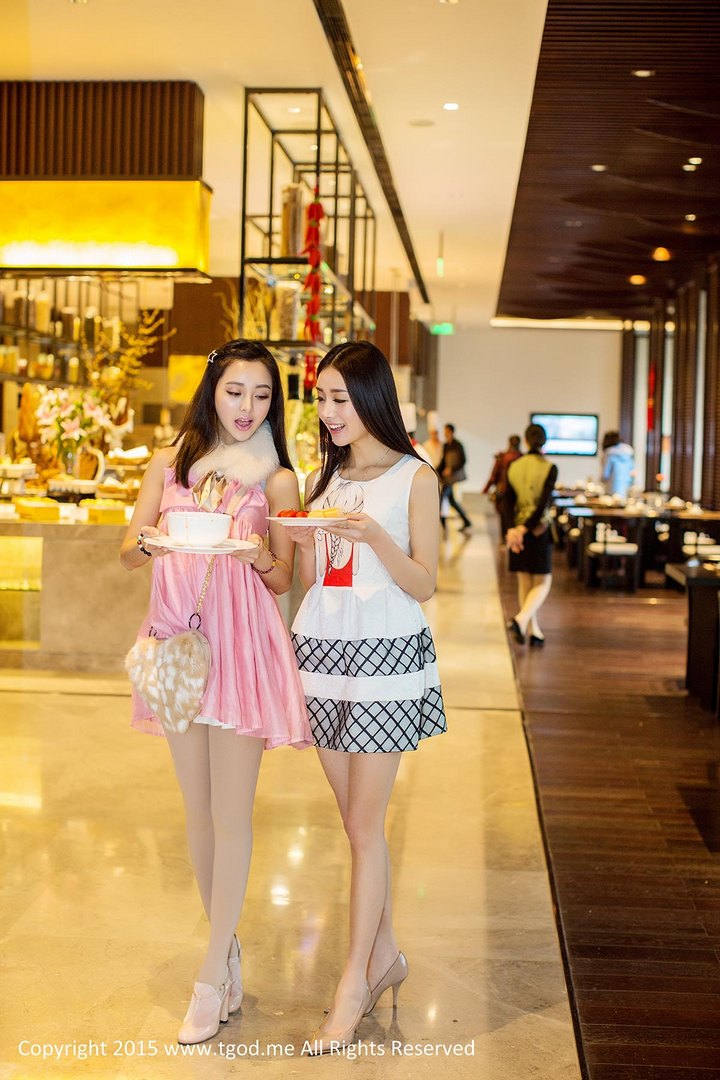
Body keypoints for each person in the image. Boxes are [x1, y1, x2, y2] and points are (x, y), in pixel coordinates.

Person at [120, 339, 312, 1045]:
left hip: (243, 650)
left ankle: (208, 977)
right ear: (212, 392)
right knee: (196, 813)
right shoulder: (169, 465)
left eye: (261, 395)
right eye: (235, 391)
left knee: (232, 814)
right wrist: (150, 542)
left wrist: (258, 554)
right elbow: (127, 548)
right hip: (176, 644)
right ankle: (226, 951)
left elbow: (286, 577)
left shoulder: (279, 481)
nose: (247, 407)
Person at [288, 340, 447, 1055]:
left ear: (372, 398)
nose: (327, 412)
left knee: (363, 824)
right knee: (354, 825)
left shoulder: (415, 477)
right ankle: (383, 957)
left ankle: (353, 981)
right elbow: (316, 578)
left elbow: (424, 583)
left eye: (339, 399)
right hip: (322, 652)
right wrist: (296, 538)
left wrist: (374, 537)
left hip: (384, 657)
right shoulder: (325, 476)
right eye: (321, 398)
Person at [502, 423, 558, 648]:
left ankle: (533, 630)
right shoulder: (550, 467)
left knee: (524, 581)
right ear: (544, 442)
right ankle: (522, 620)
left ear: (526, 440)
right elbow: (543, 504)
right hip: (538, 530)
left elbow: (507, 500)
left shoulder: (514, 466)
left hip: (517, 529)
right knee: (543, 582)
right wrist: (525, 528)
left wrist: (512, 529)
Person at [482, 434, 522, 537]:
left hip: (504, 490)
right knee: (516, 516)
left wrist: (486, 489)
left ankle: (505, 537)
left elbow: (494, 475)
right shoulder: (522, 458)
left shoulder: (503, 457)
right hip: (519, 491)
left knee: (504, 516)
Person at [439, 423, 472, 533]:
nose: (445, 433)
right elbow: (443, 461)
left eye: (446, 431)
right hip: (447, 477)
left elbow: (463, 460)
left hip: (453, 477)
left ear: (451, 432)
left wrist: (452, 469)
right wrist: (435, 470)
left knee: (441, 497)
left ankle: (441, 523)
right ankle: (466, 521)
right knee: (451, 501)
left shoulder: (458, 445)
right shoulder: (446, 445)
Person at [601, 430, 635, 498]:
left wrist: (601, 480)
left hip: (611, 487)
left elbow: (605, 474)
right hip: (626, 487)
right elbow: (632, 472)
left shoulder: (609, 453)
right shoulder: (629, 452)